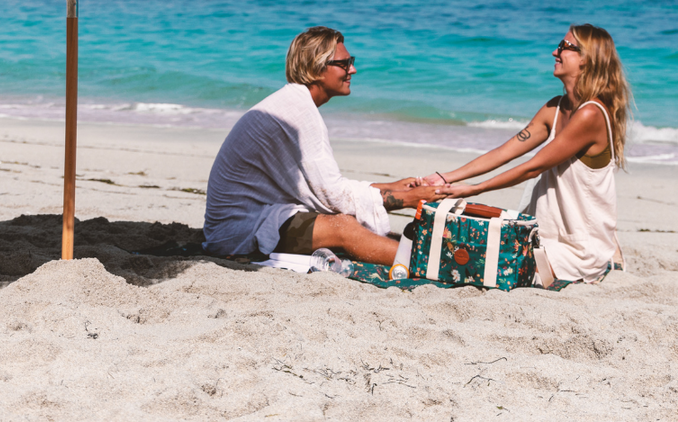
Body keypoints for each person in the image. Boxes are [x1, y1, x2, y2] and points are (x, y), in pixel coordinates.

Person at [203, 26, 436, 265]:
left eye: (351, 62)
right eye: (344, 64)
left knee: (345, 222)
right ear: (315, 68)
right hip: (238, 233)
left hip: (246, 221)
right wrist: (407, 199)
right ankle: (428, 265)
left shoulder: (294, 101)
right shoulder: (298, 111)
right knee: (343, 227)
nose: (353, 70)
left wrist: (391, 187)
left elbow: (321, 188)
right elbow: (333, 196)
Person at [421, 24, 629, 282]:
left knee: (482, 266)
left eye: (565, 47)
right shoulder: (555, 107)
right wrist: (446, 177)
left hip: (579, 249)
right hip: (544, 236)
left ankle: (608, 257)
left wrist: (472, 189)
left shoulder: (591, 114)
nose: (555, 52)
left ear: (586, 59)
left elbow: (533, 167)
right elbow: (505, 152)